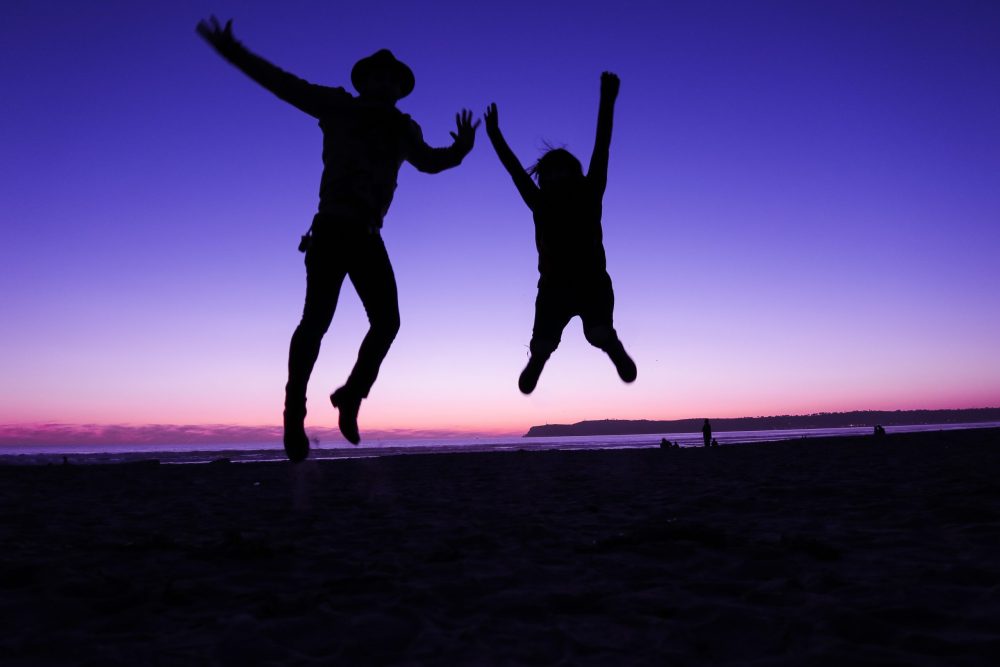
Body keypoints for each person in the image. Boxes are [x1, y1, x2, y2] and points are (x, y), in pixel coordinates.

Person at [196, 17, 479, 460]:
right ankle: (294, 413)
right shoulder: (337, 106)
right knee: (316, 323)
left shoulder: (405, 129)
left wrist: (461, 149)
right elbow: (282, 84)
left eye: (392, 78)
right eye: (376, 75)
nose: (384, 82)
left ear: (400, 88)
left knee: (388, 322)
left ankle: (351, 395)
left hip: (368, 236)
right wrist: (236, 53)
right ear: (364, 80)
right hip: (330, 229)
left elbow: (430, 162)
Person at [483, 73, 636, 393]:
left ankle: (612, 347)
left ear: (574, 172)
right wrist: (495, 135)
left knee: (597, 334)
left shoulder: (590, 192)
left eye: (560, 168)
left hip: (592, 281)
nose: (554, 175)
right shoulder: (539, 202)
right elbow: (514, 170)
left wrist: (607, 101)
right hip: (553, 287)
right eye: (548, 171)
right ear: (543, 179)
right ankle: (537, 360)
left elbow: (602, 147)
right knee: (543, 341)